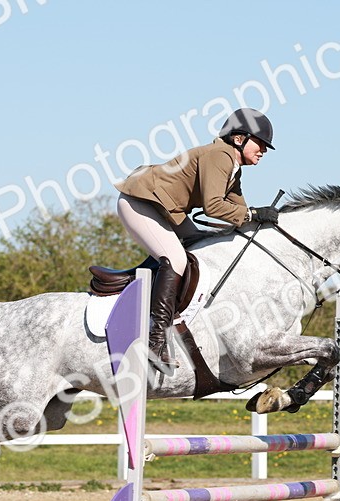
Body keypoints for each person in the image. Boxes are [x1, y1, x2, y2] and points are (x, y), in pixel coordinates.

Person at [115, 108, 278, 370]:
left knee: (203, 248)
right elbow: (214, 207)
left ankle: (145, 289)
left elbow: (239, 212)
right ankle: (154, 340)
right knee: (177, 259)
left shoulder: (233, 168)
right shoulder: (220, 156)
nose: (264, 151)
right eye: (260, 143)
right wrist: (253, 214)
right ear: (239, 139)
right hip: (140, 202)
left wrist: (259, 219)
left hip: (166, 210)